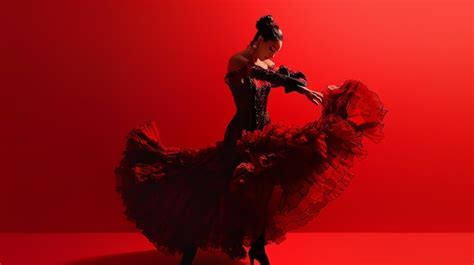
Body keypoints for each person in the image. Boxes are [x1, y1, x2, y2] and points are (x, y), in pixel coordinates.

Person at [114, 14, 387, 265]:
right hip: (239, 136)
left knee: (265, 191)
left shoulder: (267, 62)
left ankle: (257, 247)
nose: (272, 54)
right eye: (270, 48)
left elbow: (278, 75)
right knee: (216, 190)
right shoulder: (238, 61)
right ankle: (191, 244)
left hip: (264, 135)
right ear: (258, 41)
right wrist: (298, 87)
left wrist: (300, 85)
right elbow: (260, 74)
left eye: (276, 51)